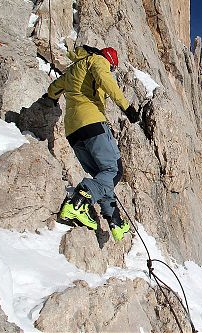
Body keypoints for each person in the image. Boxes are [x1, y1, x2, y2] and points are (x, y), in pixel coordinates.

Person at [44, 45, 139, 241]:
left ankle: (115, 221)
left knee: (102, 175)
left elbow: (55, 87)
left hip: (73, 131)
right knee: (113, 171)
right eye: (112, 68)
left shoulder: (74, 69)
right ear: (110, 61)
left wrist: (51, 98)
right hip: (92, 123)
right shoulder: (98, 61)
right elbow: (105, 80)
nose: (110, 70)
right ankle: (78, 202)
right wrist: (126, 107)